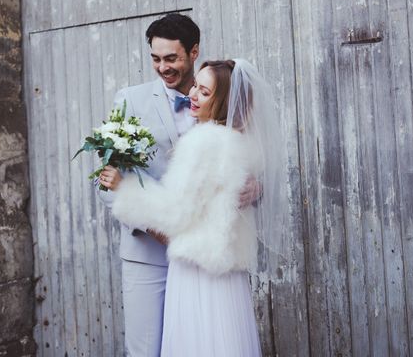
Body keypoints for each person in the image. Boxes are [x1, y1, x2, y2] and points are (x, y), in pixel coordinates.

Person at [102, 59, 283, 356]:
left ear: (223, 101)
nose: (193, 96)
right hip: (227, 271)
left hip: (197, 269)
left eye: (204, 92)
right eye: (195, 87)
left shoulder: (203, 143)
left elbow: (174, 213)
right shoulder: (242, 143)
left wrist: (125, 187)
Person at [99, 13, 201, 357]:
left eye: (171, 58)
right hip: (148, 255)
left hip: (202, 254)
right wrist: (155, 227)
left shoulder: (216, 97)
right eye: (155, 58)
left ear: (194, 52)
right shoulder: (130, 100)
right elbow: (107, 184)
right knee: (146, 351)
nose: (162, 67)